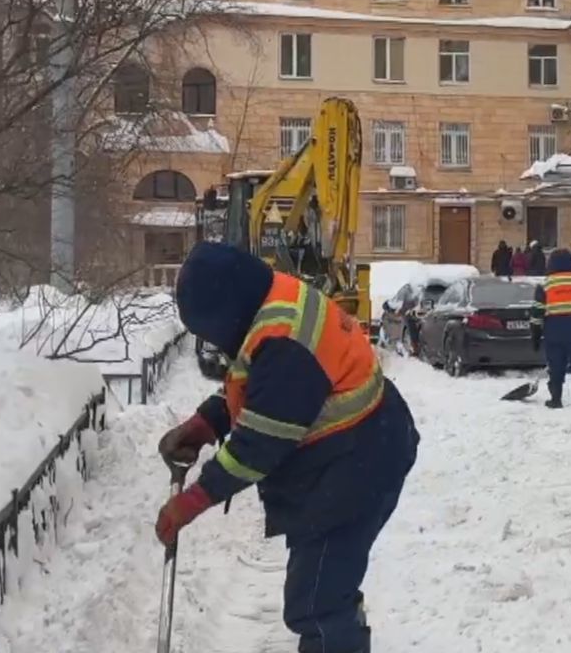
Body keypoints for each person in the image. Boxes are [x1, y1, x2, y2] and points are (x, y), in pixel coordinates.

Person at [155, 241, 420, 653]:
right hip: (348, 458)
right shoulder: (270, 299)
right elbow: (261, 384)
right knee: (322, 593)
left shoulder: (283, 340)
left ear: (224, 314)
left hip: (357, 467)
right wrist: (208, 422)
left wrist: (194, 500)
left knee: (317, 603)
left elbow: (258, 446)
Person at [532, 249, 571, 408]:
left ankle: (556, 399)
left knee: (556, 366)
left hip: (554, 333)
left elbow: (537, 313)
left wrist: (536, 335)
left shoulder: (545, 285)